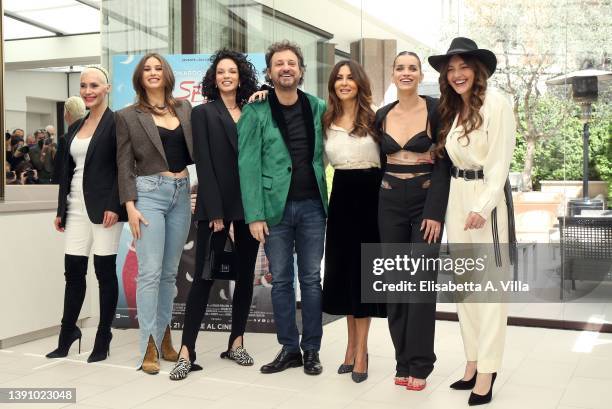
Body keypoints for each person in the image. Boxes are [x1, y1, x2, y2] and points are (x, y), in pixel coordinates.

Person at [428, 37, 516, 406]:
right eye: (451, 69)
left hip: (487, 201)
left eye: (463, 67)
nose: (457, 74)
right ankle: (473, 361)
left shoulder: (498, 103)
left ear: (477, 70)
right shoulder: (452, 110)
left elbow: (500, 162)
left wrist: (483, 205)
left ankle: (488, 371)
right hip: (456, 199)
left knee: (490, 291)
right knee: (466, 287)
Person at [168, 49, 261, 380]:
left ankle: (236, 342)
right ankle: (186, 351)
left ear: (241, 77)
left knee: (245, 277)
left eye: (232, 71)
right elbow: (204, 164)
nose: (226, 76)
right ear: (214, 77)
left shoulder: (253, 111)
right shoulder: (204, 113)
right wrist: (218, 214)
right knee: (204, 279)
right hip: (216, 209)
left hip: (250, 208)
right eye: (221, 71)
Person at [238, 40, 328, 376]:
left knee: (311, 280)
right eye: (279, 63)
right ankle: (289, 347)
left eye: (291, 63)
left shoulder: (318, 107)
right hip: (274, 210)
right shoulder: (255, 111)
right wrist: (254, 214)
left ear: (301, 70)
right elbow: (247, 164)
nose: (286, 68)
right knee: (281, 282)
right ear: (271, 71)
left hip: (313, 208)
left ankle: (312, 350)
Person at [374, 51, 450, 391]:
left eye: (412, 68)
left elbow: (445, 163)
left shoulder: (436, 109)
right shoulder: (381, 115)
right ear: (392, 75)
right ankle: (401, 360)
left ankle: (421, 363)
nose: (406, 73)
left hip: (424, 202)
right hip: (389, 201)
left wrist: (435, 211)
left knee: (419, 285)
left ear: (420, 75)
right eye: (400, 68)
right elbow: (375, 162)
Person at [116, 52, 193, 375]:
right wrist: (129, 206)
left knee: (168, 273)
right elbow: (123, 164)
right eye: (146, 68)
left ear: (167, 74)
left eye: (158, 68)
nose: (152, 72)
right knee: (148, 272)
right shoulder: (128, 115)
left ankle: (164, 335)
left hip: (181, 191)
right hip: (148, 195)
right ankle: (147, 343)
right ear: (139, 76)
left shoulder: (185, 108)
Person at [47, 66, 127, 363]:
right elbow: (67, 172)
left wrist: (114, 205)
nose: (88, 90)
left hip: (105, 209)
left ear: (107, 88)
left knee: (104, 274)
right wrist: (61, 210)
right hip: (76, 209)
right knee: (73, 273)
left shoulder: (117, 122)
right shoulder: (76, 126)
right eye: (83, 85)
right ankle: (68, 333)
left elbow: (123, 166)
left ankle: (103, 337)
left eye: (94, 85)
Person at [321, 60, 386, 383]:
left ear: (359, 82)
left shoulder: (376, 117)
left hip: (371, 199)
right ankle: (350, 347)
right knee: (345, 275)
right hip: (342, 197)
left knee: (364, 278)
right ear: (333, 85)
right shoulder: (326, 119)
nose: (344, 82)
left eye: (350, 77)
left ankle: (362, 352)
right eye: (338, 78)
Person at [53, 96, 87, 184]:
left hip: (72, 188)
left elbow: (59, 171)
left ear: (67, 113)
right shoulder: (94, 134)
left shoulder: (65, 139)